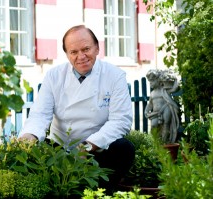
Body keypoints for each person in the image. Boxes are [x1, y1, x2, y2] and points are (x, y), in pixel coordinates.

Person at [18, 25, 135, 193]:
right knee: (34, 153)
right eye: (73, 52)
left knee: (124, 148)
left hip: (96, 150)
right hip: (59, 149)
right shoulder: (54, 76)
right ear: (67, 54)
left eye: (86, 49)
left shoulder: (114, 76)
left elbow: (120, 121)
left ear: (97, 48)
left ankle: (98, 193)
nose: (81, 56)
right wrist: (29, 136)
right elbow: (39, 115)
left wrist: (87, 147)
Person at [144, 69, 179, 143]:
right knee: (154, 126)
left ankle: (165, 141)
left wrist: (176, 79)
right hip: (155, 113)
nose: (150, 83)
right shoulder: (152, 93)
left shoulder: (164, 90)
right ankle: (155, 142)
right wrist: (146, 111)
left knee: (166, 124)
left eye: (152, 81)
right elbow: (150, 104)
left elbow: (175, 88)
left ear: (159, 80)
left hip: (166, 108)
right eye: (149, 81)